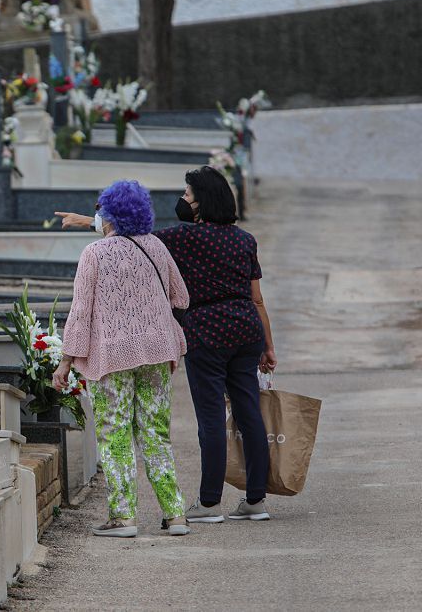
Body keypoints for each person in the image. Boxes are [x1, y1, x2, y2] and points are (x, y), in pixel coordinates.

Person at [56, 166, 277, 523]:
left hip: (198, 335)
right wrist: (268, 345)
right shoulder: (243, 240)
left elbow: (122, 249)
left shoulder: (179, 238)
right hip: (239, 332)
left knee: (201, 420)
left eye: (188, 195)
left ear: (201, 202)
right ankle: (246, 502)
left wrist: (87, 222)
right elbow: (247, 299)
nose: (183, 200)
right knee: (245, 414)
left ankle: (198, 506)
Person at [55, 180, 191, 538]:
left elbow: (80, 312)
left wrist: (66, 361)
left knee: (114, 434)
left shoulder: (94, 254)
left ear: (109, 214)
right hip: (158, 351)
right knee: (156, 432)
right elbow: (182, 297)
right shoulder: (157, 247)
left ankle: (123, 517)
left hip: (112, 355)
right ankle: (175, 514)